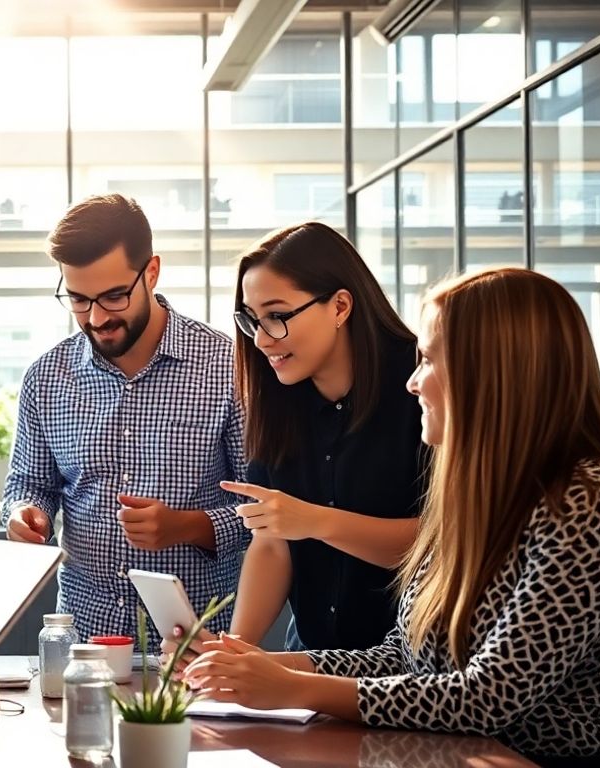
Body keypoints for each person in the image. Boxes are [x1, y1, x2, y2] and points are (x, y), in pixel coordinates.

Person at [184, 268, 600, 765]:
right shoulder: (481, 499)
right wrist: (264, 665)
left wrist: (294, 688)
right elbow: (403, 658)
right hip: (450, 754)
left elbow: (488, 698)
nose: (412, 383)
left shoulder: (594, 504)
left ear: (494, 373)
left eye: (429, 360)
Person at [165, 222, 425, 661]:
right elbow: (271, 543)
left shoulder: (422, 389)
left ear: (340, 306)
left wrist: (316, 521)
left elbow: (441, 545)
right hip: (308, 660)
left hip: (409, 669)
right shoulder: (275, 400)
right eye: (252, 320)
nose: (262, 339)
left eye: (278, 316)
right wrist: (235, 651)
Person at [2, 193, 249, 644]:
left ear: (151, 272)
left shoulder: (228, 368)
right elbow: (29, 483)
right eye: (78, 299)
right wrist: (25, 512)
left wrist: (187, 526)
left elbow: (263, 511)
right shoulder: (46, 377)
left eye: (114, 296)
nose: (96, 318)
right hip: (81, 645)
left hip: (194, 647)